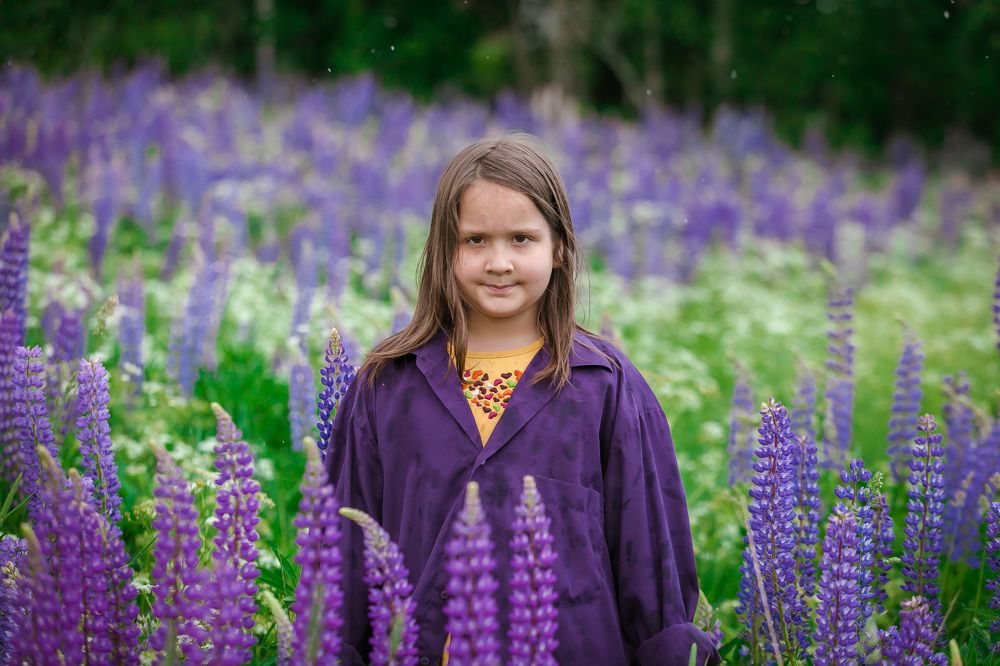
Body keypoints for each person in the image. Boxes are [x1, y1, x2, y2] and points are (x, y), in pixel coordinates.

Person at [326, 133, 721, 665]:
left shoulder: (607, 387)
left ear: (559, 248)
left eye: (521, 239)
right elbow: (342, 561)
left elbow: (651, 564)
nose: (499, 262)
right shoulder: (386, 386)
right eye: (475, 240)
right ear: (444, 250)